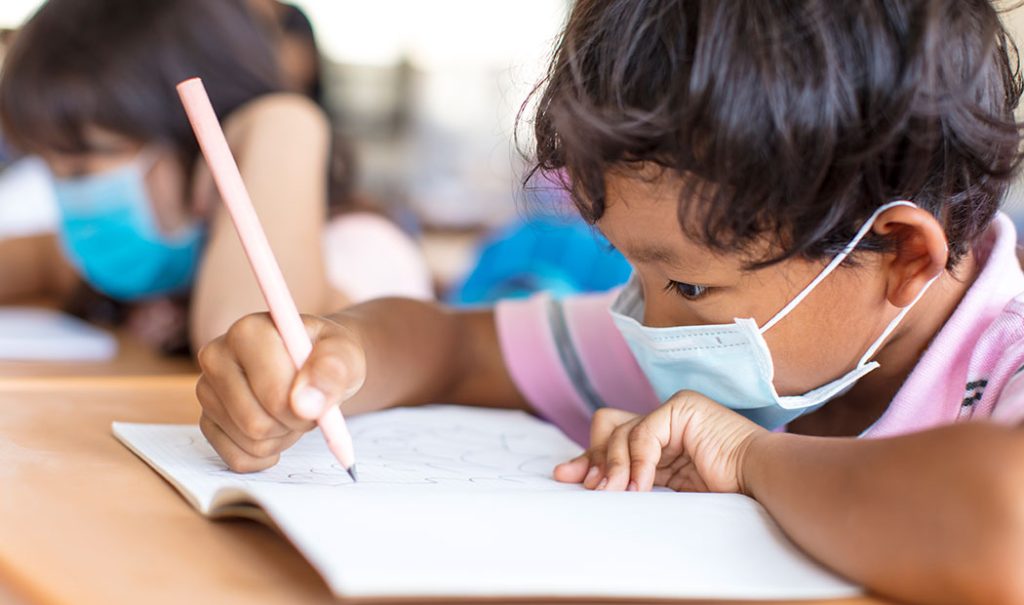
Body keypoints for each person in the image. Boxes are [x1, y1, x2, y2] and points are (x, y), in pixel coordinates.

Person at [195, 1, 1024, 603]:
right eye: (635, 269)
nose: (649, 324)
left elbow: (1004, 525)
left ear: (903, 257)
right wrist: (336, 353)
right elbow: (451, 346)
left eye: (689, 283)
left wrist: (747, 459)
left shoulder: (1007, 360)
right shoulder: (710, 327)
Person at [0, 0, 431, 354]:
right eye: (51, 167)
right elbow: (40, 259)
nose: (71, 198)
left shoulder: (363, 253)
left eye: (83, 169)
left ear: (199, 142)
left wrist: (285, 123)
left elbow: (251, 349)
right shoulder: (169, 261)